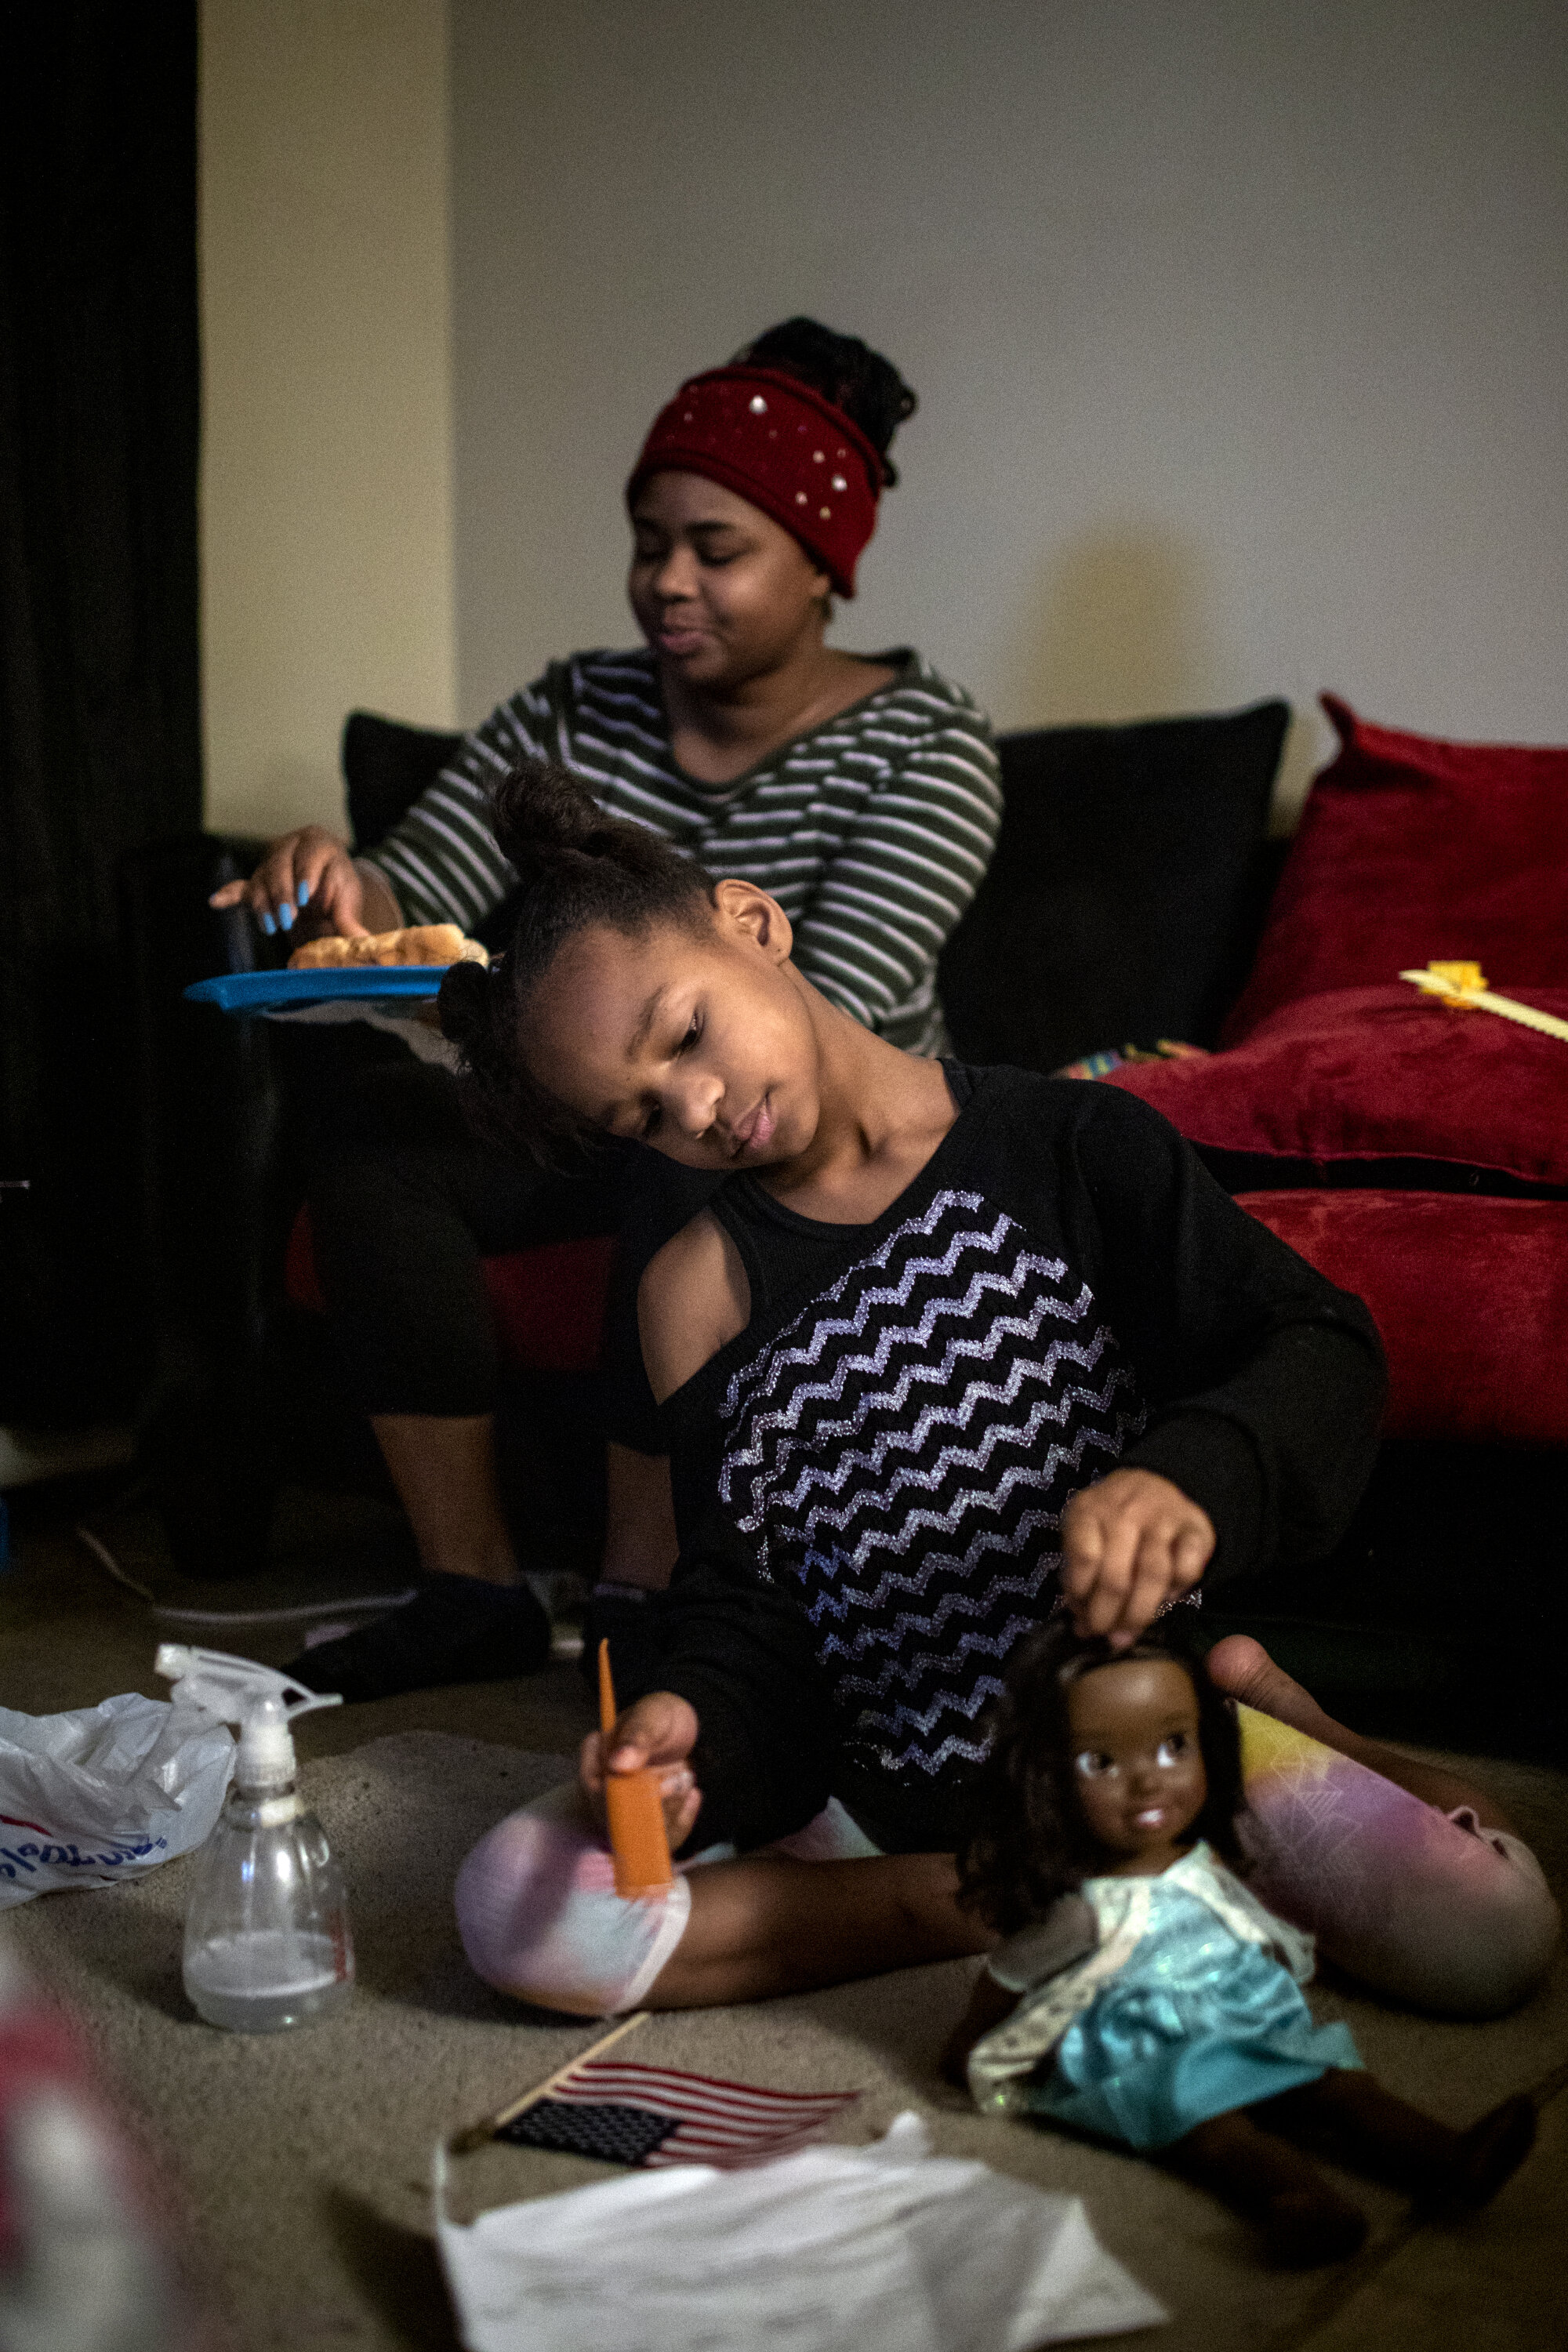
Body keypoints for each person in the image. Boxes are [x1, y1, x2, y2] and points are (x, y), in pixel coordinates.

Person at [441, 758, 1558, 2026]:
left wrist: (1189, 1475)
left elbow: (1318, 1347)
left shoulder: (1072, 1147)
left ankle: (1251, 1723)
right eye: (642, 1115)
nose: (696, 1107)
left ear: (751, 923)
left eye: (687, 1034)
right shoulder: (690, 1295)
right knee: (513, 1902)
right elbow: (745, 1607)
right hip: (876, 1795)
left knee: (1493, 1926)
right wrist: (693, 1726)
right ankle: (983, 1898)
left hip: (1150, 1752)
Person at [209, 318, 1002, 1700]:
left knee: (686, 1142)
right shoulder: (575, 707)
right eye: (649, 541)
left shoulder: (927, 750)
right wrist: (347, 879)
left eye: (716, 548)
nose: (667, 582)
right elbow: (428, 884)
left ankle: (646, 1589)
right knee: (378, 1146)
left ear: (824, 567)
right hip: (594, 1101)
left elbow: (815, 1025)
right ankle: (469, 1586)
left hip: (773, 1123)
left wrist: (627, 1067)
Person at [938, 1617, 1536, 2266]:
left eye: (1172, 1747)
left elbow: (1233, 1911)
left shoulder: (1201, 1854)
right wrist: (974, 2044)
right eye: (1102, 1761)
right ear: (1044, 1782)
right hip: (1146, 2043)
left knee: (1337, 2085)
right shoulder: (1080, 1909)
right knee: (1214, 2135)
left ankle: (1449, 2157)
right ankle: (1305, 2202)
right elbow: (1009, 1979)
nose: (1148, 1781)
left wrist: (1264, 1961)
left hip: (1236, 2006)